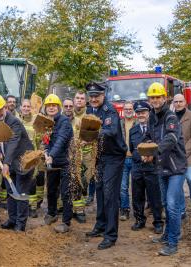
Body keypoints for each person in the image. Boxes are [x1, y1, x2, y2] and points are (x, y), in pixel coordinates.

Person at [143, 82, 187, 256]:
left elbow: (170, 138)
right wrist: (144, 150)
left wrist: (153, 152)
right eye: (152, 97)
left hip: (176, 168)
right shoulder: (152, 117)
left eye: (158, 97)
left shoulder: (171, 117)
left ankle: (173, 242)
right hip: (161, 167)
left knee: (172, 205)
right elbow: (148, 137)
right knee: (165, 204)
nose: (155, 100)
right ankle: (167, 234)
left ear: (164, 98)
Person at [85, 82, 127, 250]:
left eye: (97, 96)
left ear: (103, 96)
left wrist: (91, 133)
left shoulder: (110, 111)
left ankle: (110, 235)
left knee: (110, 194)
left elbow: (111, 131)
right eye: (92, 96)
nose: (94, 99)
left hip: (114, 157)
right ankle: (100, 225)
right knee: (100, 190)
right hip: (100, 156)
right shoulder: (90, 110)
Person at [0, 94, 34, 232]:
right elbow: (0, 139)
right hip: (10, 162)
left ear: (5, 107)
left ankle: (20, 224)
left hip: (23, 163)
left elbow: (13, 142)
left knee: (20, 193)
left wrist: (6, 163)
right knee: (10, 191)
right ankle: (12, 219)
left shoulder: (14, 122)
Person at [129, 101, 164, 234]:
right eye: (138, 113)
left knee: (154, 196)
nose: (140, 115)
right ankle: (139, 220)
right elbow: (132, 149)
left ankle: (158, 222)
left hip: (152, 167)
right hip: (137, 167)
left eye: (143, 112)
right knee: (137, 196)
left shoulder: (154, 129)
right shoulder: (133, 131)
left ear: (149, 113)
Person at [43, 94, 74, 233]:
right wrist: (45, 150)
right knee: (51, 189)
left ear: (59, 108)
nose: (51, 108)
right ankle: (52, 213)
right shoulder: (47, 122)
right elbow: (46, 140)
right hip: (52, 161)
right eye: (49, 106)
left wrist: (51, 155)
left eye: (54, 105)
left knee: (66, 192)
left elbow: (61, 140)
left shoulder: (64, 122)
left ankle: (66, 222)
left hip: (66, 162)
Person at [173, 94, 191, 219]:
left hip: (188, 155)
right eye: (176, 102)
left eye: (181, 101)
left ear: (185, 102)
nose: (178, 104)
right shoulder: (170, 117)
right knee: (177, 184)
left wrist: (183, 152)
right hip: (174, 157)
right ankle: (181, 210)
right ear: (173, 103)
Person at [19, 99, 44, 218]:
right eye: (24, 106)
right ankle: (23, 205)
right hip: (20, 157)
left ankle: (32, 207)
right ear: (21, 107)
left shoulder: (35, 122)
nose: (26, 108)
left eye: (28, 106)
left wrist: (38, 154)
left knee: (32, 182)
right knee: (22, 181)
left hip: (33, 158)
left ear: (31, 108)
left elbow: (39, 140)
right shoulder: (17, 121)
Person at [63, 98, 86, 223]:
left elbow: (85, 136)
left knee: (77, 183)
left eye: (70, 106)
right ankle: (64, 208)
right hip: (63, 158)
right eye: (65, 106)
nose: (68, 108)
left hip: (77, 158)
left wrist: (83, 142)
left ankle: (79, 210)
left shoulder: (79, 121)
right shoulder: (59, 122)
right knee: (64, 185)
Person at [73, 91, 96, 205]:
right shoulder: (68, 114)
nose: (79, 100)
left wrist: (87, 141)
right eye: (77, 98)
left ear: (85, 101)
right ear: (74, 100)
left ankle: (80, 205)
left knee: (84, 181)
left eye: (82, 98)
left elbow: (96, 133)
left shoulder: (90, 115)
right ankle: (74, 206)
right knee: (72, 180)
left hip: (87, 154)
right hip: (72, 154)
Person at [120, 101, 137, 221]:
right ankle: (124, 209)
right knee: (123, 187)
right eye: (126, 109)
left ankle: (137, 210)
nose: (128, 111)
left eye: (130, 109)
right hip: (123, 159)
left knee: (137, 187)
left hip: (136, 159)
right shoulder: (119, 123)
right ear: (123, 110)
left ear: (133, 110)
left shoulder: (138, 122)